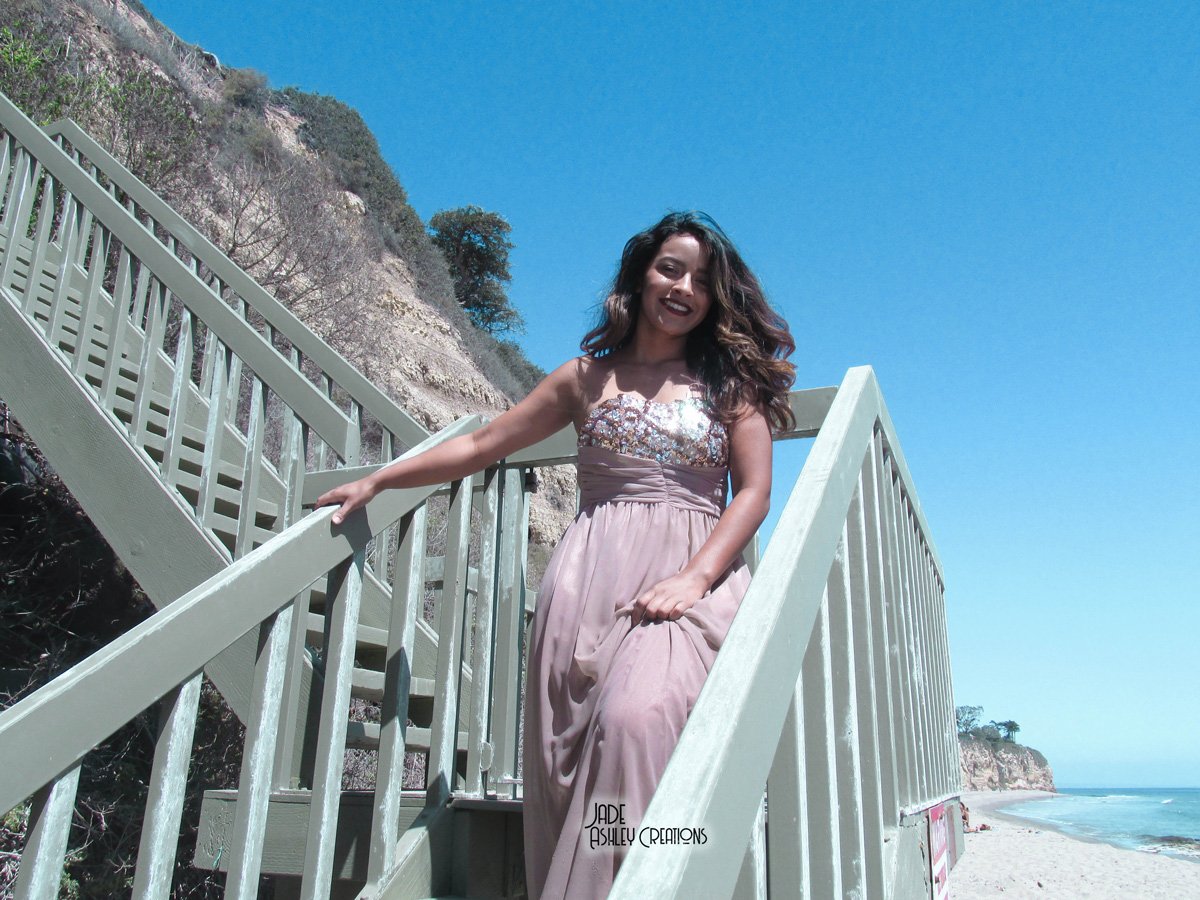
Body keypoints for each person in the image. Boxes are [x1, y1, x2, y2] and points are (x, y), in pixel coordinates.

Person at [317, 211, 796, 898]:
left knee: (637, 720)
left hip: (689, 574)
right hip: (589, 579)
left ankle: (644, 880)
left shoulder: (729, 384)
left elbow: (753, 494)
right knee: (569, 760)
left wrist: (695, 578)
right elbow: (483, 446)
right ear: (640, 273)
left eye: (701, 279)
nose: (683, 287)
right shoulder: (583, 377)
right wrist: (382, 477)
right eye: (671, 268)